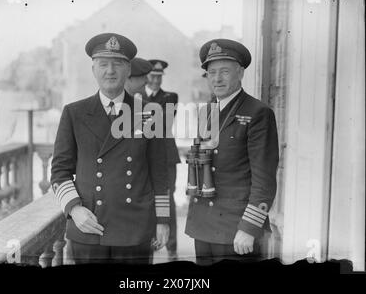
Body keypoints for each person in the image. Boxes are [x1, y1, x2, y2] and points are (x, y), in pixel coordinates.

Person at [50, 33, 170, 265]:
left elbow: (160, 173)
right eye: (103, 64)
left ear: (128, 70)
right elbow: (59, 171)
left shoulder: (149, 113)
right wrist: (74, 210)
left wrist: (163, 220)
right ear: (93, 69)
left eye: (117, 65)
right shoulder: (74, 113)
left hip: (134, 227)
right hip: (89, 224)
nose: (110, 71)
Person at [185, 39, 279, 265]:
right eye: (212, 72)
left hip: (236, 229)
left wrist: (249, 227)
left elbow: (264, 178)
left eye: (225, 71)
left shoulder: (258, 113)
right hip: (203, 226)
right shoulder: (206, 111)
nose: (217, 79)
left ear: (240, 73)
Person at [144, 59, 181, 261]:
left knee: (167, 200)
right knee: (147, 200)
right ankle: (149, 243)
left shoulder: (170, 97)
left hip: (166, 157)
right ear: (146, 77)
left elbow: (159, 122)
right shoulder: (136, 97)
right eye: (152, 76)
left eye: (159, 77)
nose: (156, 80)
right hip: (145, 156)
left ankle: (172, 248)